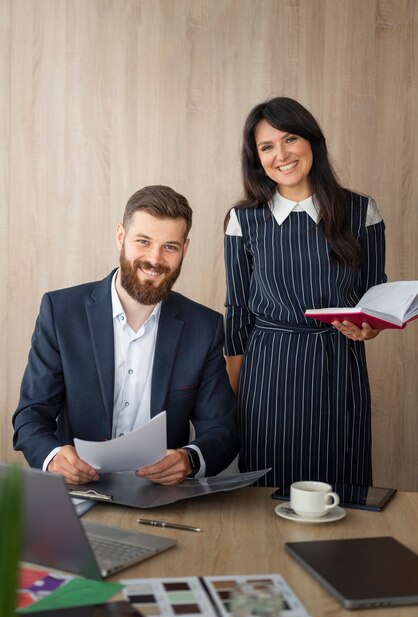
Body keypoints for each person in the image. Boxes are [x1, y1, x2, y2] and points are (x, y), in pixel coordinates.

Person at [13, 185, 238, 485]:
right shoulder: (60, 312)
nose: (154, 259)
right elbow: (30, 416)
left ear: (184, 249)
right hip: (78, 492)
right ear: (121, 237)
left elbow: (222, 430)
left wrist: (189, 459)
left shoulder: (204, 327)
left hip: (163, 499)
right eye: (143, 241)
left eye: (169, 247)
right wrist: (53, 457)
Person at [224, 97, 386, 489]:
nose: (281, 154)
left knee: (339, 489)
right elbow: (237, 311)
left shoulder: (360, 211)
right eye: (267, 147)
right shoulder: (243, 220)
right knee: (266, 494)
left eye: (290, 139)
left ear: (312, 141)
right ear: (256, 158)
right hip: (267, 373)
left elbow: (375, 297)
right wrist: (236, 397)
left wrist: (371, 327)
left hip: (338, 369)